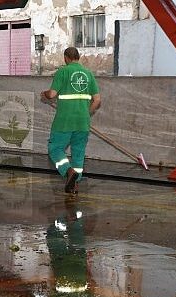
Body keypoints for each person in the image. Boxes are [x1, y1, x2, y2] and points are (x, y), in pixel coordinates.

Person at [41, 47, 101, 194]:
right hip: (83, 122)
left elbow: (53, 93)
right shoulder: (88, 74)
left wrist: (45, 94)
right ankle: (74, 184)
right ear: (78, 57)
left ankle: (68, 171)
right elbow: (97, 100)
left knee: (55, 149)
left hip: (64, 121)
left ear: (66, 58)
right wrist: (87, 113)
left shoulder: (63, 71)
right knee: (78, 154)